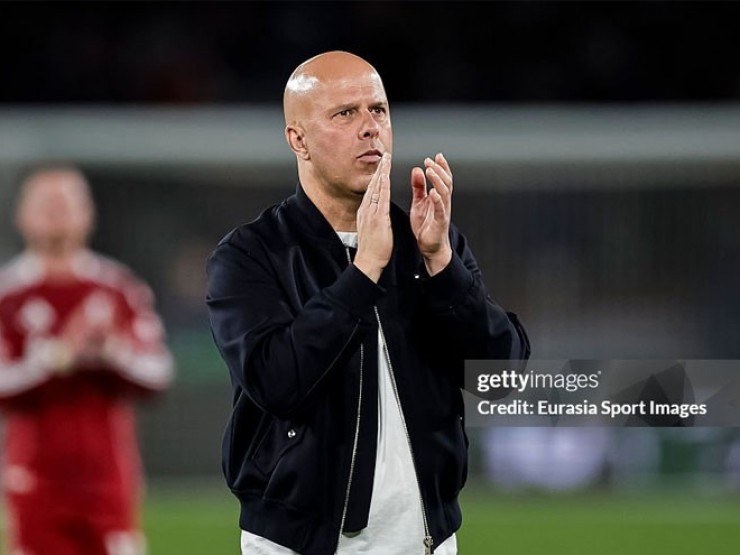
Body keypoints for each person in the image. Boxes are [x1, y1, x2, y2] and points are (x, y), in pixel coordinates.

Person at [206, 51, 530, 555]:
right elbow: (277, 382)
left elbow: (503, 376)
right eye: (345, 113)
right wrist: (363, 273)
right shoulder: (252, 254)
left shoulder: (428, 241)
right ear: (298, 139)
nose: (370, 127)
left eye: (378, 110)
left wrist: (443, 265)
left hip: (428, 540)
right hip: (297, 544)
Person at [0, 166, 174, 555]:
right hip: (34, 480)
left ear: (88, 213)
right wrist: (58, 355)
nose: (57, 215)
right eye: (46, 205)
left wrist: (111, 352)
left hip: (107, 479)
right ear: (22, 215)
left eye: (66, 204)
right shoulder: (8, 295)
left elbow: (158, 373)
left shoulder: (118, 287)